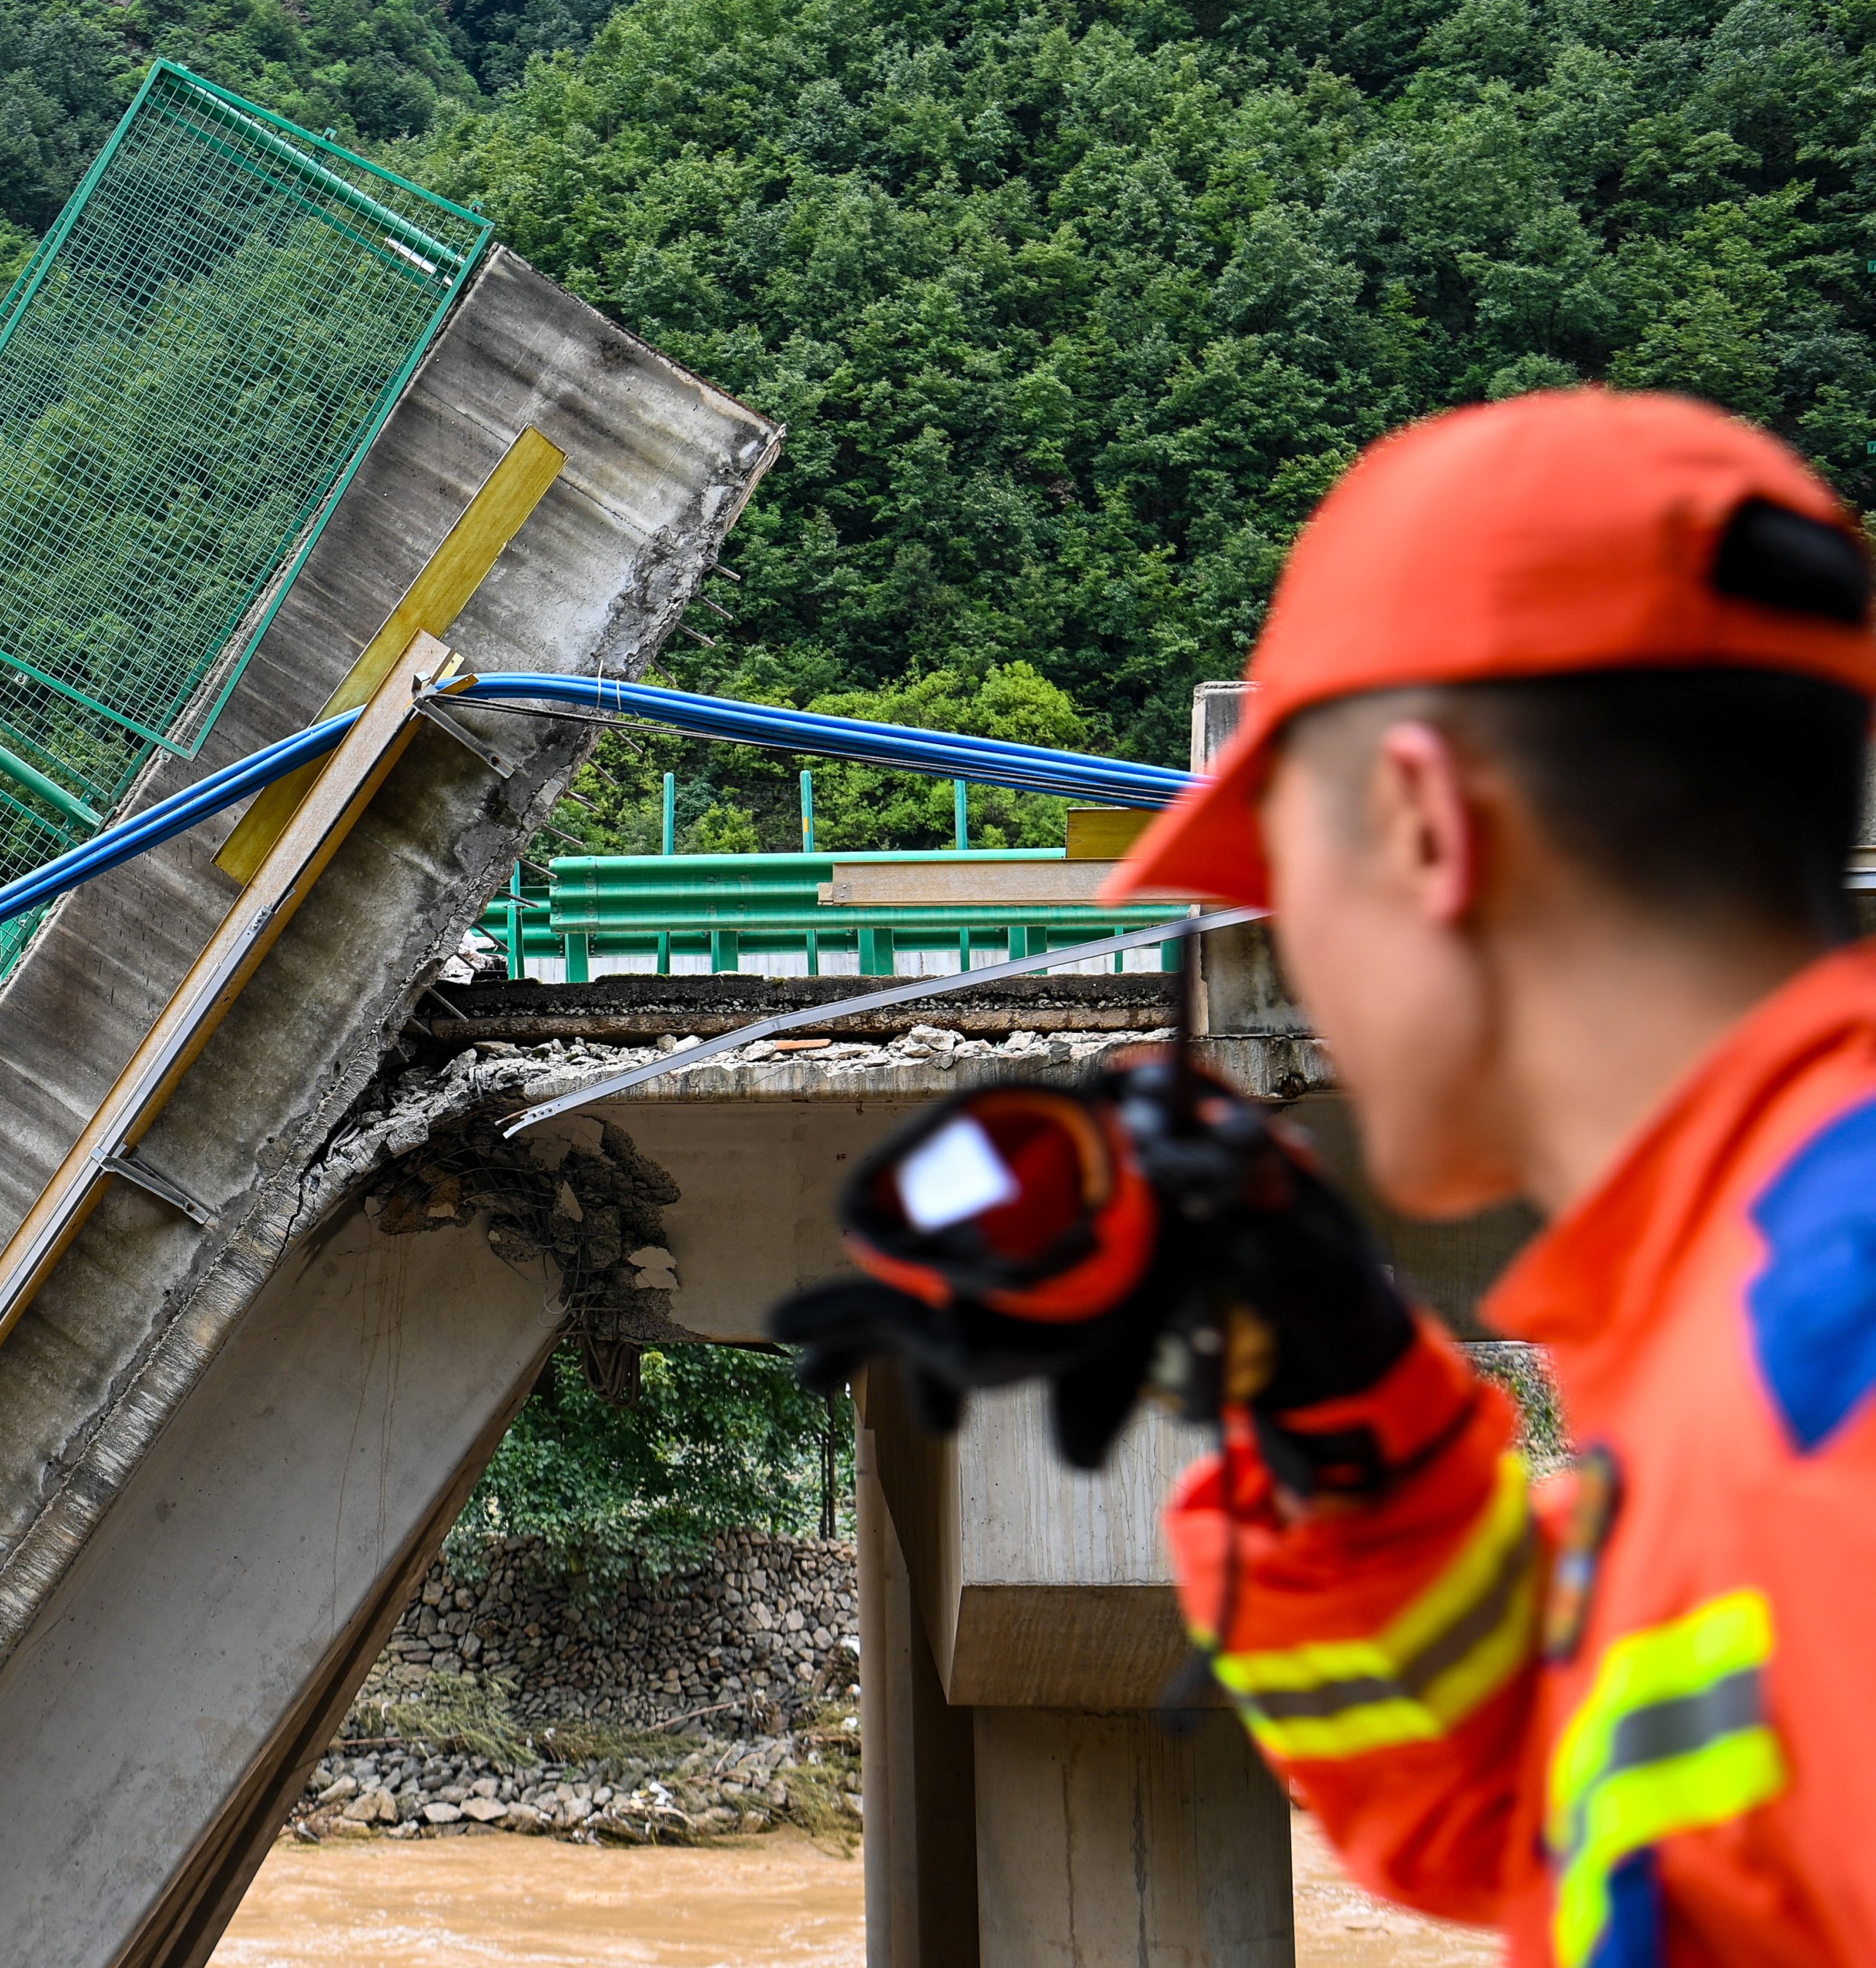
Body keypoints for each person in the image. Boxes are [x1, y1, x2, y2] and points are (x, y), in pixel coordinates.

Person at [780, 388, 1876, 1967]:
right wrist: (1340, 1399)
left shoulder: (1820, 1342)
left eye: (1277, 883)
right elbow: (1521, 1804)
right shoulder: (1735, 1321)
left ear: (1421, 825)